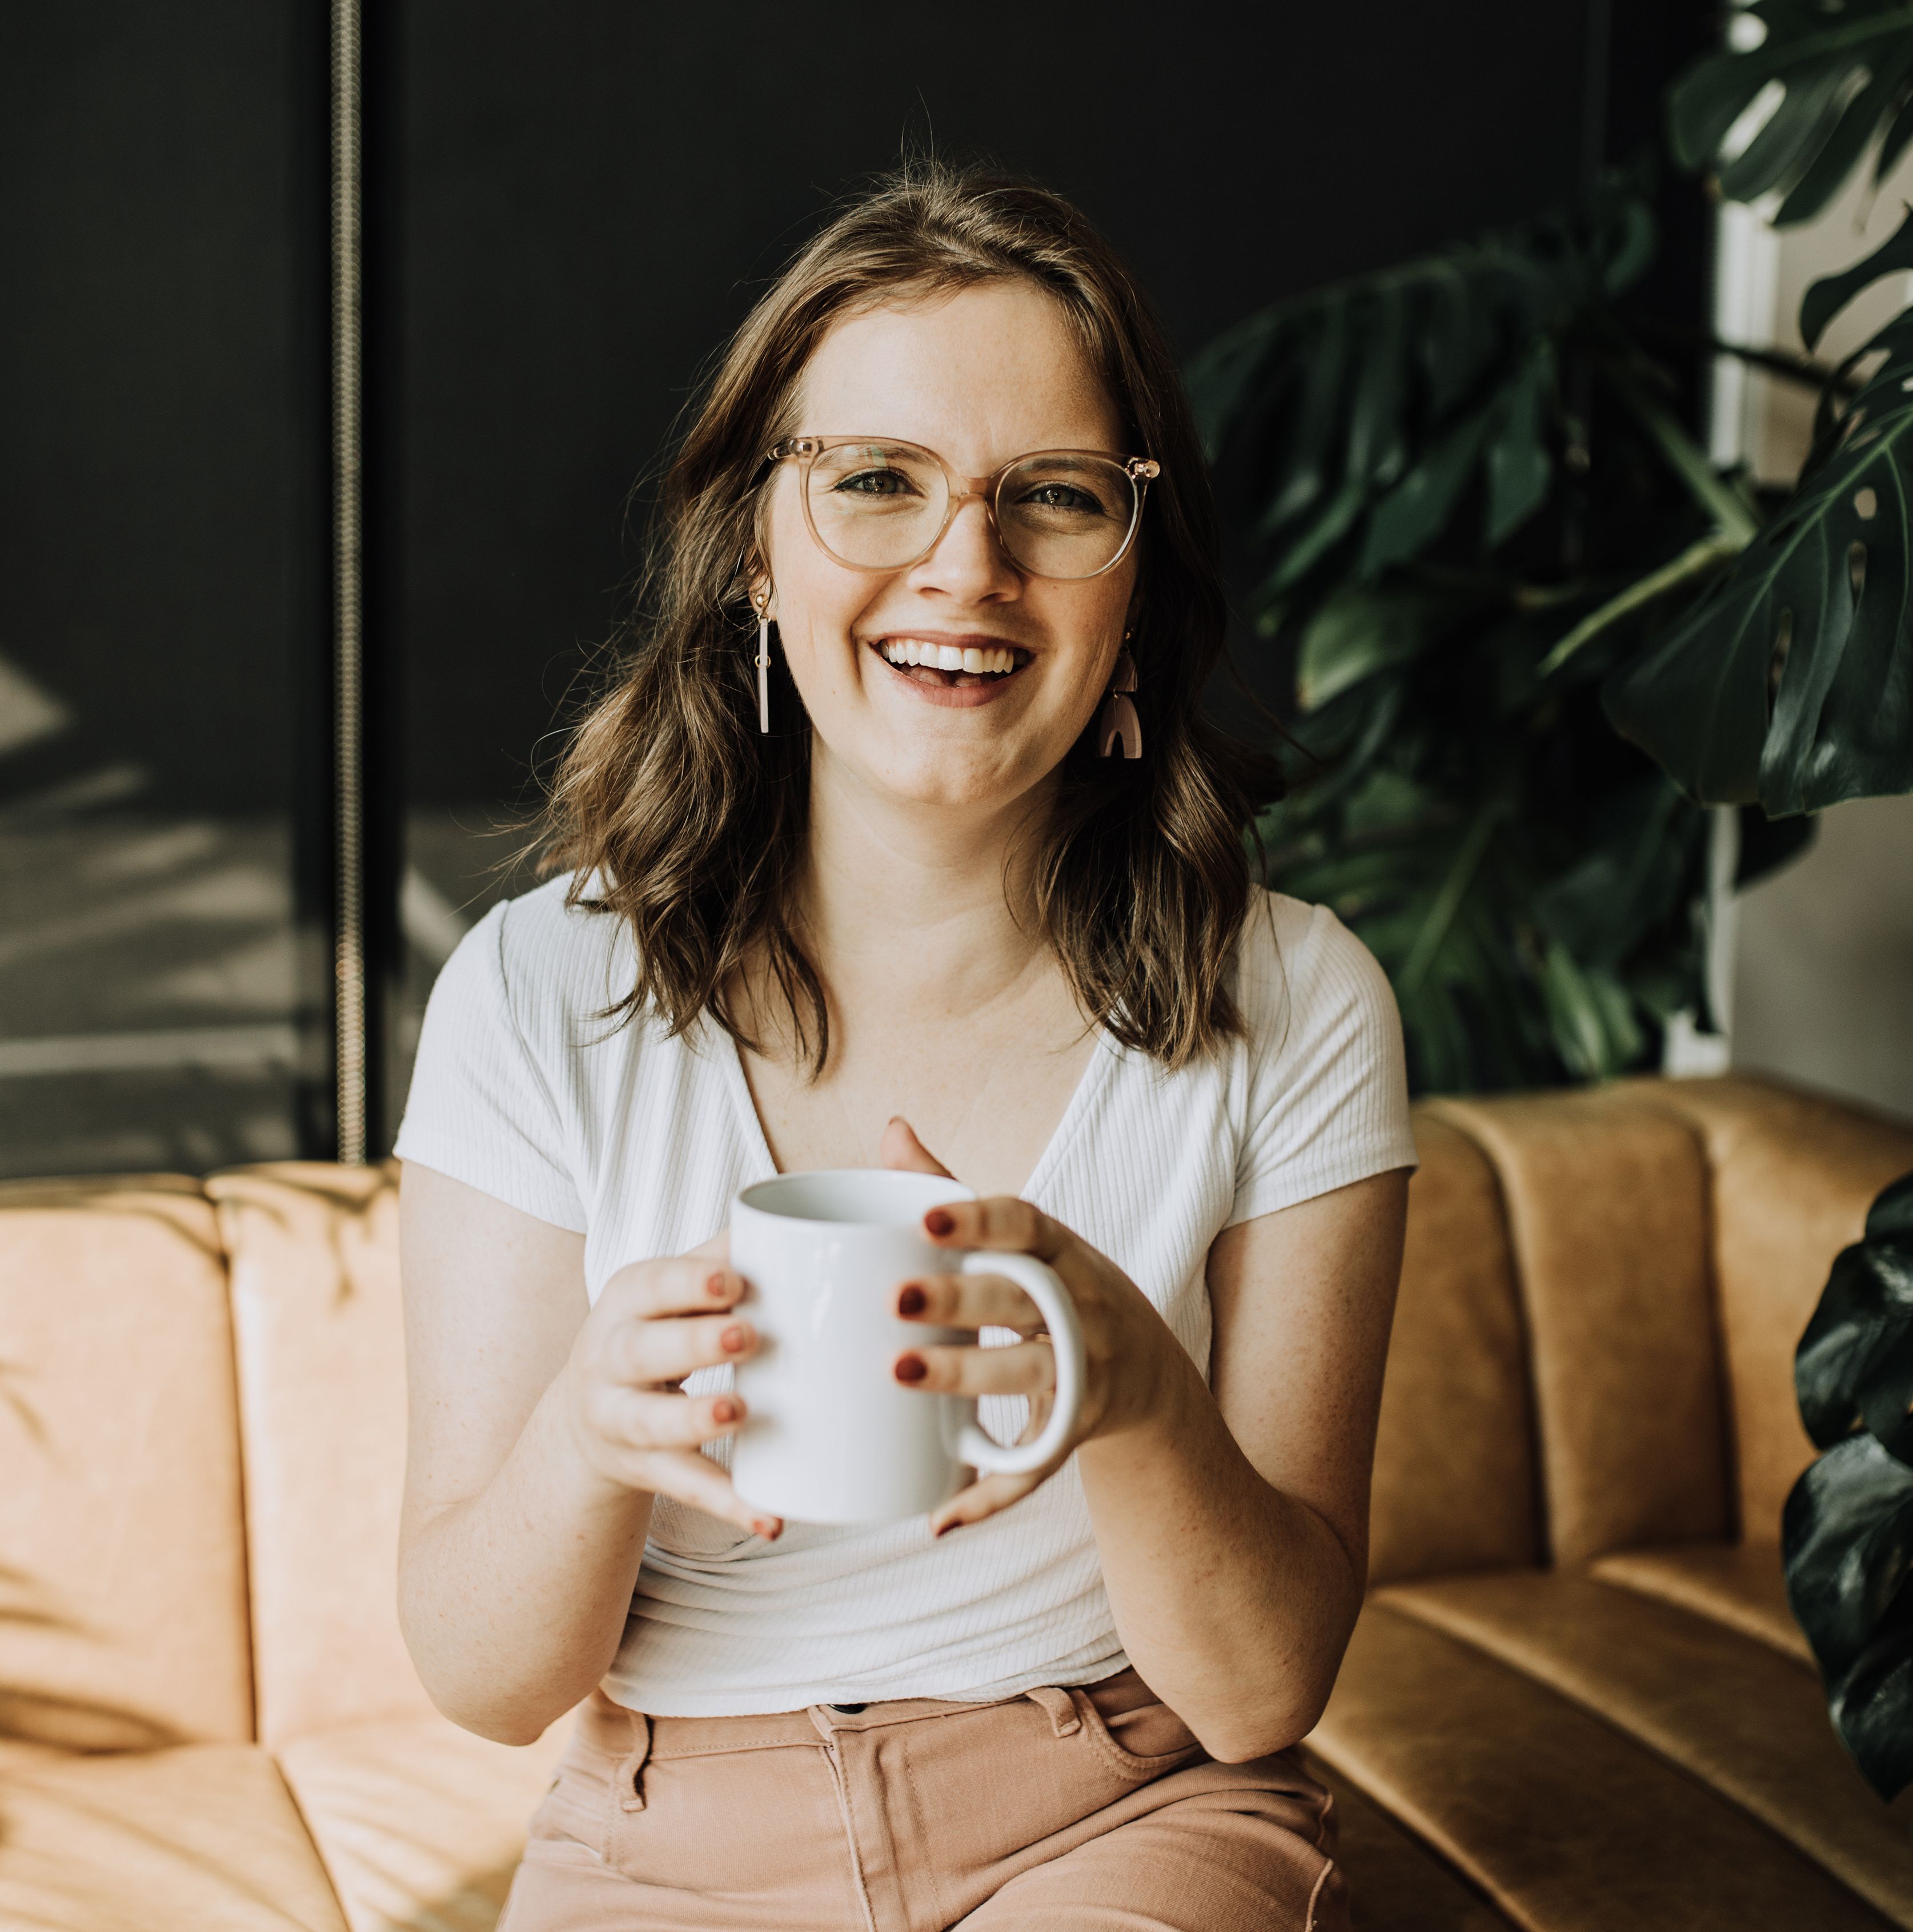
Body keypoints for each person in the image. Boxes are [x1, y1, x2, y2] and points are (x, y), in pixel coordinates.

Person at [393, 160, 1415, 1932]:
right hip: (662, 1837)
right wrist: (588, 1432)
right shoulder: (536, 993)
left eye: (1056, 496)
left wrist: (1128, 1379)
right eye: (877, 481)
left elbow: (1262, 1695)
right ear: (755, 550)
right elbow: (485, 1681)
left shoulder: (1301, 1002)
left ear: (1134, 580)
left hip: (1127, 1805)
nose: (970, 564)